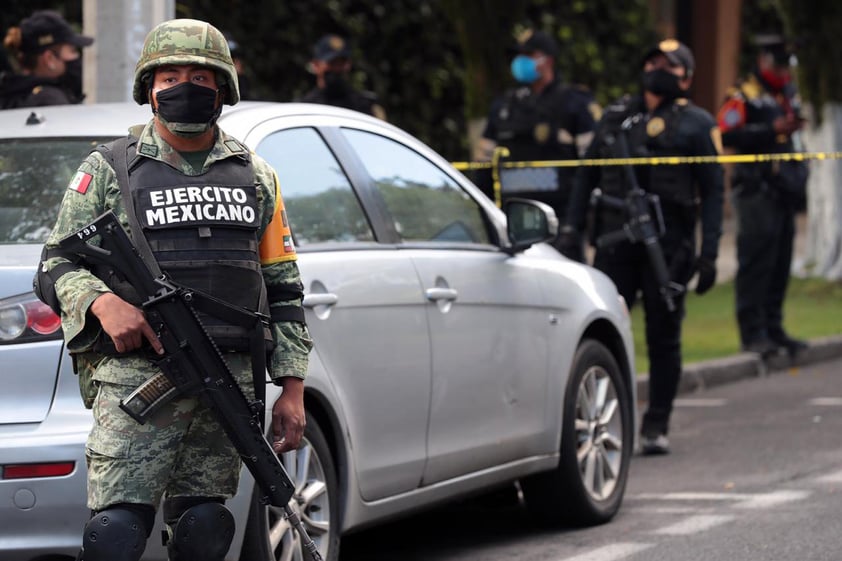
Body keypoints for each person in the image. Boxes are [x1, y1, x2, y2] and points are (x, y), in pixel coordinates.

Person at [36, 19, 312, 561]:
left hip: (228, 381)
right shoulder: (110, 168)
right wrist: (101, 302)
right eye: (170, 75)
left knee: (205, 527)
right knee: (116, 531)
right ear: (149, 88)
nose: (185, 85)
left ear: (222, 89)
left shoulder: (256, 175)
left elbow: (282, 286)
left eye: (200, 76)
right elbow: (54, 264)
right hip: (139, 378)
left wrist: (293, 386)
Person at [561, 39, 724, 455]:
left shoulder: (698, 123)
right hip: (616, 242)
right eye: (651, 61)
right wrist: (571, 229)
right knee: (598, 330)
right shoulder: (616, 117)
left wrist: (709, 254)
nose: (656, 69)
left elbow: (714, 191)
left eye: (668, 65)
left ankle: (656, 425)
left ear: (686, 76)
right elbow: (586, 176)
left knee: (663, 335)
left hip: (668, 248)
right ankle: (602, 418)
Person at [717, 34, 808, 358]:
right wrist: (773, 129)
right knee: (755, 262)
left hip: (784, 190)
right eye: (779, 65)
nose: (784, 73)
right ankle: (752, 334)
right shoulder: (745, 95)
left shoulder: (788, 93)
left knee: (780, 262)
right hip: (755, 190)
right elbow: (725, 133)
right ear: (763, 61)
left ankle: (774, 328)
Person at [475, 28, 600, 254]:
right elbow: (483, 168)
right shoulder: (504, 106)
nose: (521, 61)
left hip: (559, 220)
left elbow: (592, 167)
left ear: (548, 60)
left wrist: (576, 222)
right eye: (519, 55)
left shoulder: (574, 104)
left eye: (529, 55)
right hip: (510, 219)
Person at [0, 10, 93, 108]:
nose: (76, 57)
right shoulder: (51, 101)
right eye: (72, 51)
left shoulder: (10, 93)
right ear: (50, 59)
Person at [299, 33, 386, 119]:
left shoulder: (363, 104)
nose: (337, 68)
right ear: (316, 65)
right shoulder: (305, 108)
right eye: (332, 63)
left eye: (342, 63)